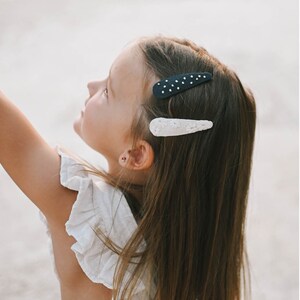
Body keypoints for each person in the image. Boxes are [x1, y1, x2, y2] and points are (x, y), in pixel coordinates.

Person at [0, 36, 256, 300]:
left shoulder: (88, 217)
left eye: (108, 91)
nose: (91, 85)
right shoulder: (198, 255)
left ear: (135, 154)